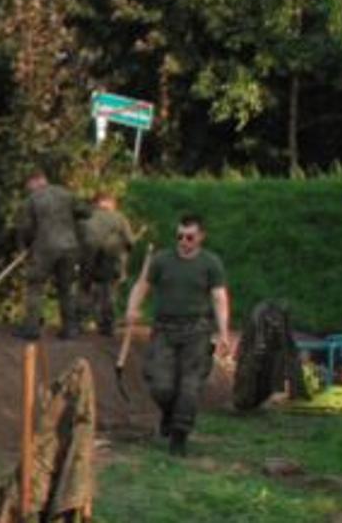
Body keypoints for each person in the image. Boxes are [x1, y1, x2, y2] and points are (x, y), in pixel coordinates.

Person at [124, 214, 232, 456]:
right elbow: (142, 285)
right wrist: (132, 307)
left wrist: (224, 332)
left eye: (189, 237)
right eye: (180, 236)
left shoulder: (210, 263)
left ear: (201, 237)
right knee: (161, 385)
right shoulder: (162, 260)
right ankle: (169, 414)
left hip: (197, 331)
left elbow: (219, 297)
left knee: (189, 386)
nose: (183, 241)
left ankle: (179, 436)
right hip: (164, 330)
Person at [16, 170, 89, 340]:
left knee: (35, 286)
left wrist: (25, 247)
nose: (28, 189)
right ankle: (70, 329)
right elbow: (86, 212)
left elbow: (25, 228)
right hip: (70, 247)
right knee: (65, 288)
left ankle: (31, 329)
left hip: (44, 248)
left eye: (28, 185)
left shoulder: (32, 200)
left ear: (34, 182)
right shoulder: (66, 194)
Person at [78, 192, 136, 336]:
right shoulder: (119, 218)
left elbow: (80, 240)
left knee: (86, 291)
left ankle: (78, 322)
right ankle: (106, 326)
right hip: (111, 260)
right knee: (108, 293)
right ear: (110, 202)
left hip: (89, 260)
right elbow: (130, 242)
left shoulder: (86, 218)